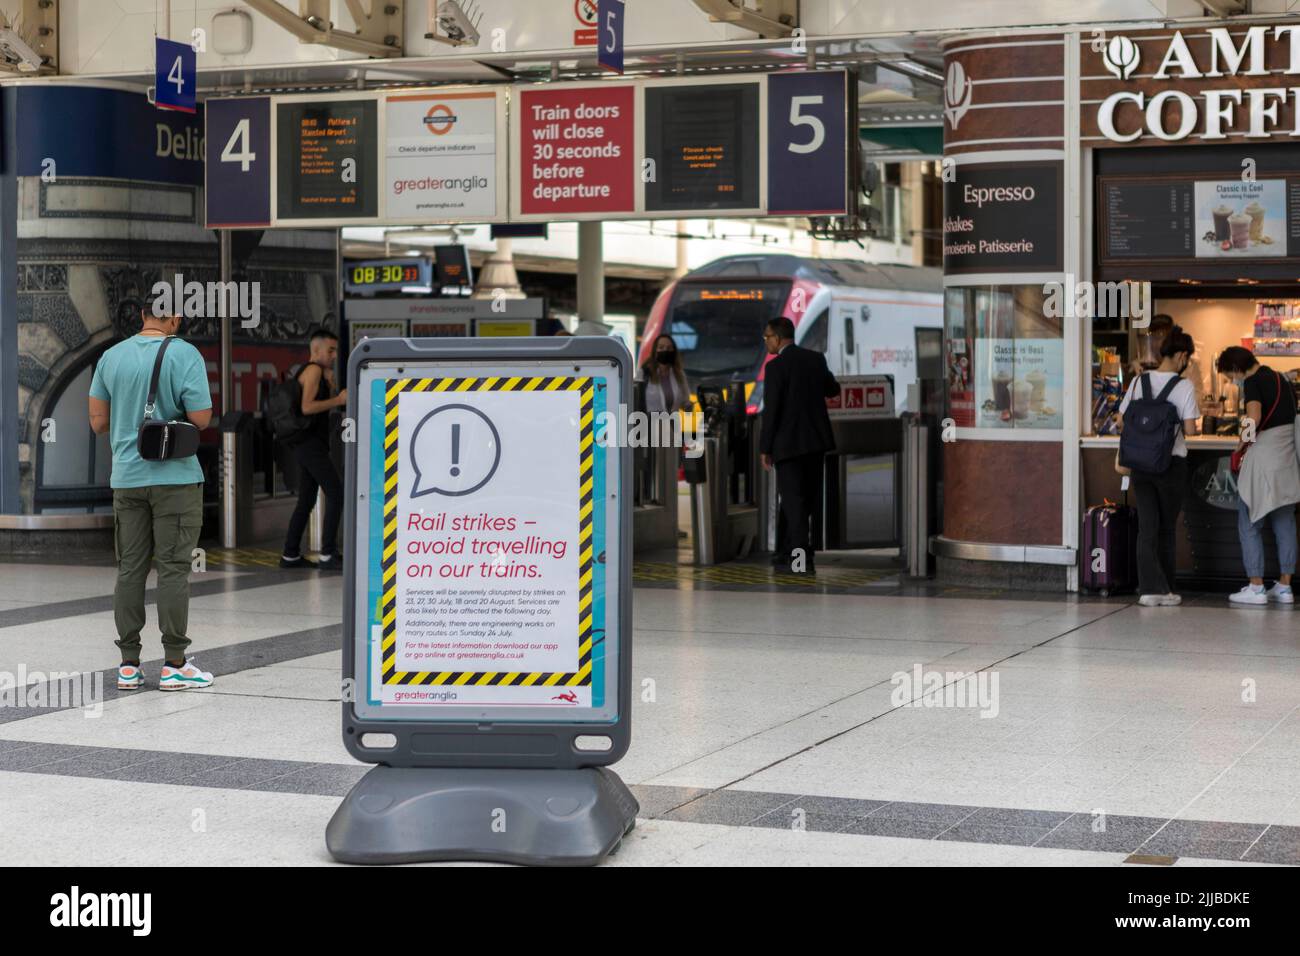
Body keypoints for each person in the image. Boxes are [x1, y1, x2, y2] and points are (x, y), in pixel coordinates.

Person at [88, 309, 215, 691]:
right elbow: (202, 418)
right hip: (175, 479)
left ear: (143, 314)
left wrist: (129, 420)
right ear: (174, 317)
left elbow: (97, 421)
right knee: (174, 569)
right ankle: (175, 664)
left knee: (130, 568)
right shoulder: (185, 354)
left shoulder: (112, 356)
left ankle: (128, 664)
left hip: (126, 479)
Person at [1118, 326, 1201, 607]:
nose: (1186, 363)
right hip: (1170, 465)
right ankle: (1166, 590)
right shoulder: (1184, 386)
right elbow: (1191, 428)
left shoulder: (1138, 382)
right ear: (1180, 355)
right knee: (1166, 528)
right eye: (1186, 357)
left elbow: (1121, 420)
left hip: (1140, 465)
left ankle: (1149, 590)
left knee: (1147, 528)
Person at [1217, 346, 1300, 606]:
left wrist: (1240, 444)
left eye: (1230, 376)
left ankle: (1255, 587)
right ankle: (1285, 587)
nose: (1233, 381)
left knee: (1249, 521)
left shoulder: (1253, 382)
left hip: (1263, 459)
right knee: (1285, 522)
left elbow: (1253, 417)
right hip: (1286, 458)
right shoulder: (1281, 378)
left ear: (1236, 368)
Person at [759, 316, 840, 574]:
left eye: (766, 337)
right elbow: (832, 389)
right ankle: (784, 551)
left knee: (794, 502)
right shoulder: (815, 360)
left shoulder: (775, 368)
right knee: (802, 500)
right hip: (815, 443)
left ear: (778, 337)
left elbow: (772, 412)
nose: (765, 342)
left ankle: (801, 559)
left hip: (788, 446)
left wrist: (765, 448)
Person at [281, 327, 348, 570]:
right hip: (309, 444)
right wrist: (338, 399)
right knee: (337, 493)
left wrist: (330, 387)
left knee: (307, 499)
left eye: (335, 351)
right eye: (330, 350)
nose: (333, 355)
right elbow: (307, 407)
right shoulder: (312, 370)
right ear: (316, 349)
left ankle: (290, 554)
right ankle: (328, 554)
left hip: (309, 443)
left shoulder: (317, 372)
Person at [641, 333, 691, 415]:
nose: (665, 350)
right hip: (649, 424)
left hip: (672, 424)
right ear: (655, 351)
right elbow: (635, 399)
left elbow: (685, 402)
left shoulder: (679, 374)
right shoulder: (645, 372)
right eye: (661, 347)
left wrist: (688, 406)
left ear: (674, 351)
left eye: (669, 348)